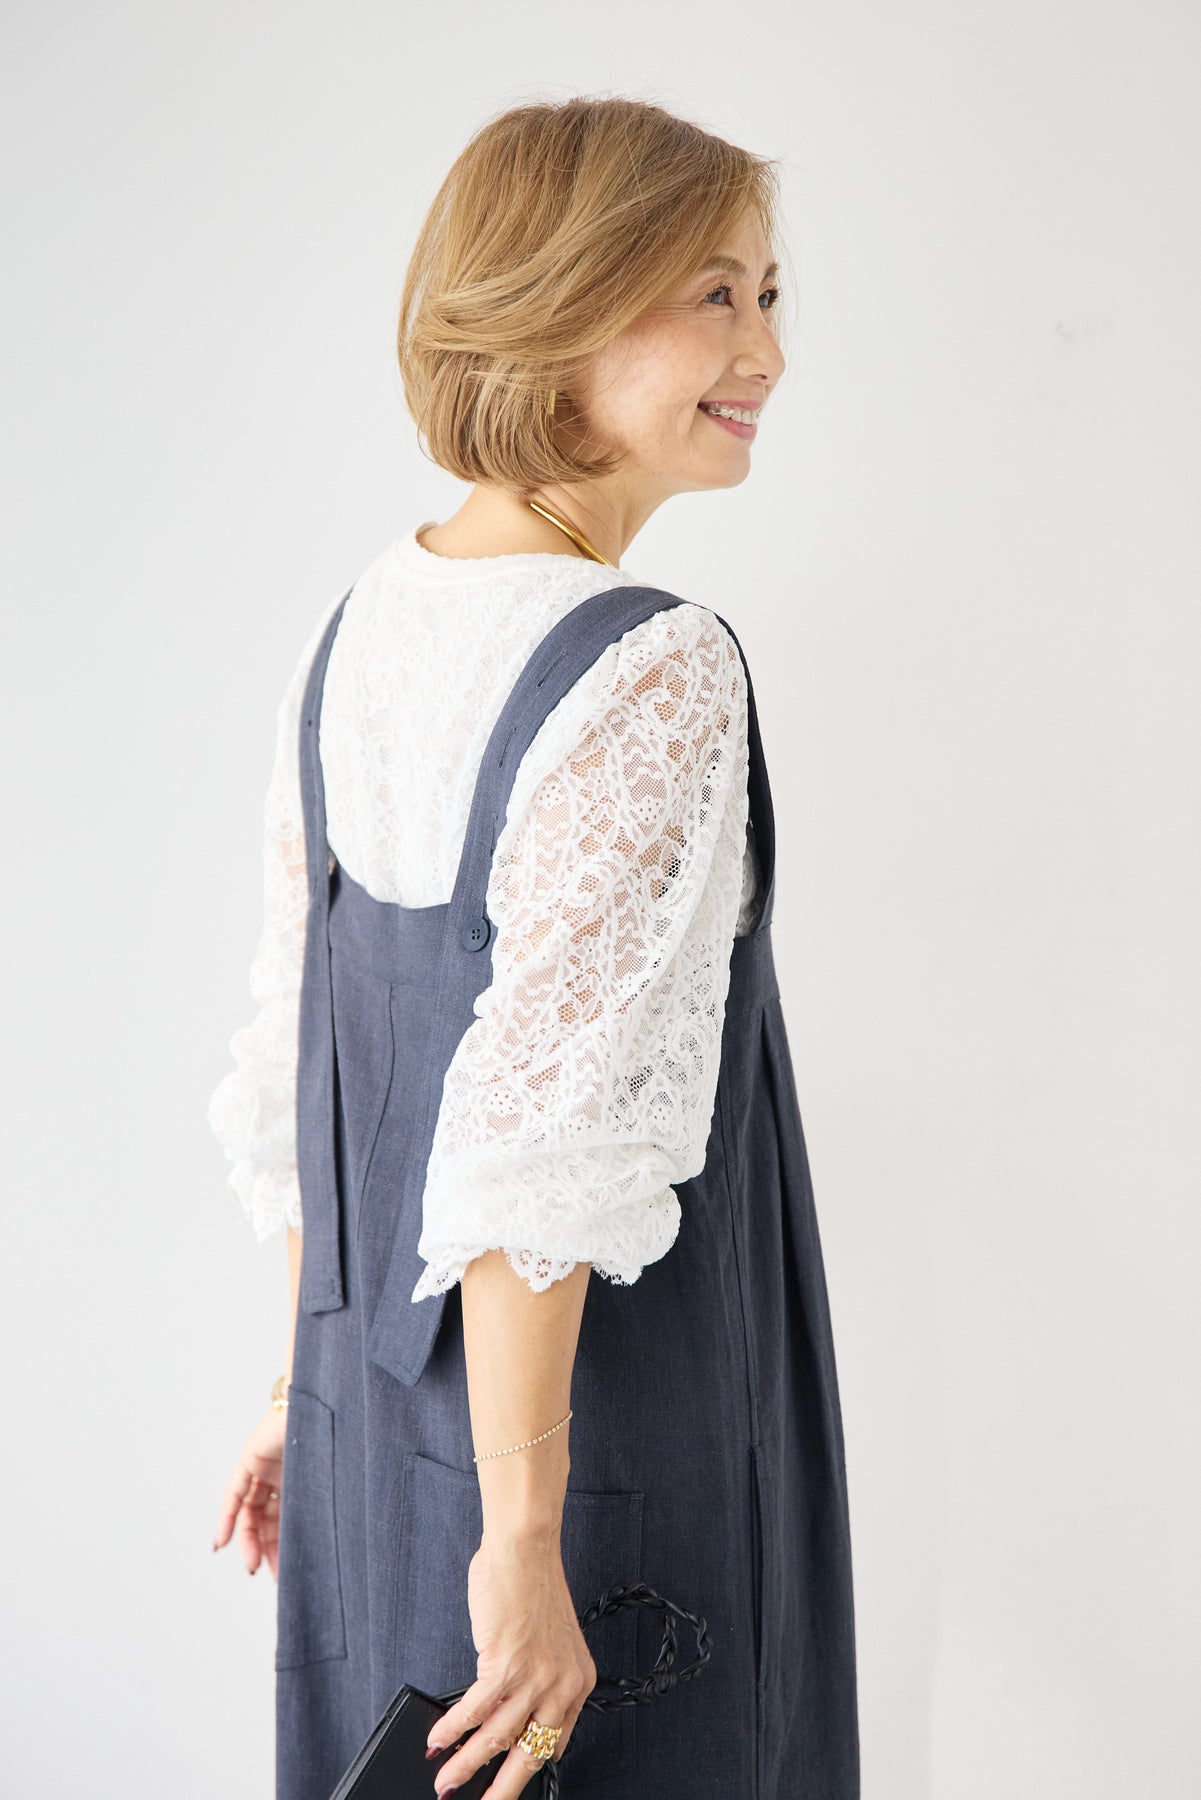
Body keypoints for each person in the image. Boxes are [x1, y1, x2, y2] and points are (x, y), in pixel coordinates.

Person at [208, 95, 859, 1800]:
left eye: (767, 293)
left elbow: (313, 1074)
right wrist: (521, 1535)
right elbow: (540, 1150)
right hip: (593, 1443)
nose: (765, 350)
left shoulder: (364, 623)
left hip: (374, 1421)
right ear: (559, 307)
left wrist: (293, 1395)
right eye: (711, 295)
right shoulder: (651, 663)